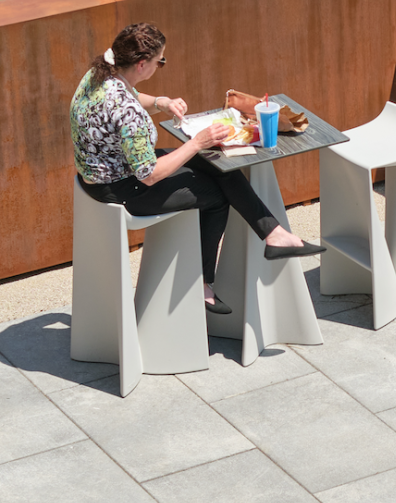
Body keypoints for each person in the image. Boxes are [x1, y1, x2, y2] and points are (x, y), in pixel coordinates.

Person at [70, 21, 323, 315]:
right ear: (140, 64)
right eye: (159, 62)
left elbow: (129, 96)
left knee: (216, 164)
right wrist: (197, 142)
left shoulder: (99, 74)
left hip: (106, 172)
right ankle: (204, 283)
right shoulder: (127, 113)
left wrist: (161, 102)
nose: (159, 66)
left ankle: (273, 233)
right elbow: (149, 174)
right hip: (123, 188)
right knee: (216, 195)